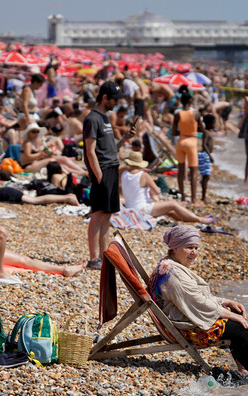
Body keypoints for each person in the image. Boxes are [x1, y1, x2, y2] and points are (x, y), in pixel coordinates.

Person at [148, 225, 248, 380]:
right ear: (174, 248)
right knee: (238, 329)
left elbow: (195, 298)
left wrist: (226, 301)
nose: (194, 253)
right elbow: (198, 302)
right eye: (189, 247)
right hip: (181, 329)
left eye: (196, 247)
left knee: (235, 313)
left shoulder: (168, 265)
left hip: (175, 318)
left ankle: (244, 370)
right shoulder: (174, 274)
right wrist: (231, 316)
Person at [83, 81, 132, 269]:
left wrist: (125, 137)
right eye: (114, 99)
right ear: (105, 97)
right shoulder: (92, 119)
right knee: (97, 214)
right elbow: (90, 151)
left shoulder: (105, 118)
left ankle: (103, 256)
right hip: (102, 170)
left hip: (111, 167)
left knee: (107, 214)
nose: (116, 103)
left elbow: (110, 148)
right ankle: (93, 257)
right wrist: (99, 176)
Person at [120, 152, 215, 224]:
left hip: (131, 208)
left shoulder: (124, 173)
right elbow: (157, 191)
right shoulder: (143, 175)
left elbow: (126, 171)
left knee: (170, 211)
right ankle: (199, 219)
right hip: (142, 209)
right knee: (173, 204)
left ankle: (192, 219)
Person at [171, 87, 203, 205]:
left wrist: (183, 132)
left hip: (180, 141)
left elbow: (174, 132)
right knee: (194, 171)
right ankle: (194, 199)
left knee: (181, 170)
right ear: (190, 101)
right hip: (191, 142)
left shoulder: (177, 114)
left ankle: (183, 197)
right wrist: (192, 130)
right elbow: (201, 128)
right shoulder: (195, 113)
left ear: (181, 101)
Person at [19, 122, 87, 175]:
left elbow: (38, 154)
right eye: (34, 132)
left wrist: (44, 153)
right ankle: (81, 173)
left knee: (63, 160)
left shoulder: (35, 141)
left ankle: (82, 172)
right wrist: (41, 154)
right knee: (55, 162)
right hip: (28, 165)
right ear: (28, 133)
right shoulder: (27, 143)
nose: (36, 133)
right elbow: (28, 156)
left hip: (36, 162)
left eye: (37, 131)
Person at [0, 180, 79, 206]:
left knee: (35, 201)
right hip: (4, 191)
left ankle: (67, 198)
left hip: (6, 194)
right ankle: (66, 197)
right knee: (35, 200)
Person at [199, 114, 215, 202]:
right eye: (213, 123)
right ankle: (203, 196)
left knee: (207, 176)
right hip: (205, 155)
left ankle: (203, 194)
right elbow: (204, 144)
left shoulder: (209, 132)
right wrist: (210, 155)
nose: (215, 125)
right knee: (206, 176)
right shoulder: (206, 132)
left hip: (206, 155)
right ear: (208, 124)